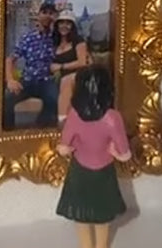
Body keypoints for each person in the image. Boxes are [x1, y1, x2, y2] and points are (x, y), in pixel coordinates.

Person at [55, 66, 131, 248]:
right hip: (103, 172)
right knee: (102, 219)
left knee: (81, 217)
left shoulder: (74, 116)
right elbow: (125, 155)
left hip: (80, 171)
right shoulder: (112, 118)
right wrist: (113, 151)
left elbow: (63, 149)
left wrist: (70, 147)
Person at [3, 2, 58, 129]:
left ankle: (41, 131)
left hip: (46, 81)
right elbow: (10, 59)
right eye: (44, 12)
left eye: (51, 13)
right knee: (7, 99)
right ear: (38, 15)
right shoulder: (28, 38)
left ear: (54, 17)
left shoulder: (56, 39)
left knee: (54, 99)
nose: (47, 16)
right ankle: (8, 133)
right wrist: (10, 80)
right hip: (27, 80)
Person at [51, 12, 90, 122]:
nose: (64, 26)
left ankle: (62, 120)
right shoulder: (54, 43)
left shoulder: (78, 41)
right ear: (57, 25)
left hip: (79, 75)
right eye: (61, 23)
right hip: (58, 77)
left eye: (68, 23)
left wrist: (61, 66)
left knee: (66, 81)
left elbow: (82, 62)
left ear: (72, 26)